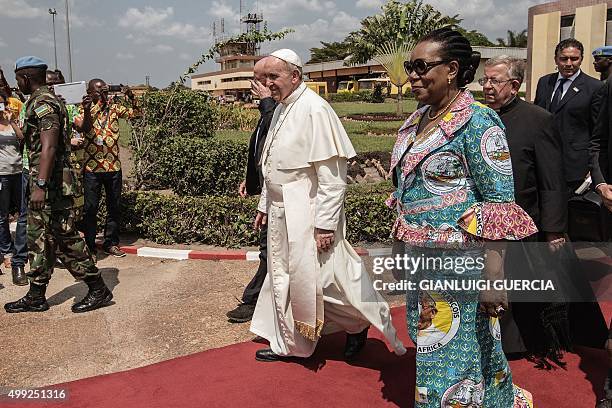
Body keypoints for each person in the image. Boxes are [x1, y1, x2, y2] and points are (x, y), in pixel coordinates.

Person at [390, 28, 536, 406]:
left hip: (461, 263)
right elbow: (404, 190)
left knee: (452, 354)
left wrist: (494, 276)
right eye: (410, 67)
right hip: (422, 258)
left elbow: (499, 203)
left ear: (452, 69)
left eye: (422, 66)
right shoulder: (416, 120)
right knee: (436, 344)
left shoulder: (479, 121)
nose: (413, 75)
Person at [250, 49, 406, 362]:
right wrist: (265, 205)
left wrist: (324, 224)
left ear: (295, 76)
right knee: (286, 277)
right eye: (262, 78)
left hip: (307, 213)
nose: (267, 84)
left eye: (273, 77)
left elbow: (333, 177)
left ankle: (358, 323)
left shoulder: (314, 109)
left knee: (325, 281)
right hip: (284, 212)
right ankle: (291, 342)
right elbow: (275, 165)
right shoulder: (284, 106)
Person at [481, 55, 573, 367]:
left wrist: (554, 227)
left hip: (525, 220)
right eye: (485, 80)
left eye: (495, 81)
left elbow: (551, 177)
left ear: (515, 86)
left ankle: (519, 346)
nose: (487, 86)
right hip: (483, 220)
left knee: (520, 284)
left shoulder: (538, 119)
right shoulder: (478, 117)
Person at [4, 56, 113, 313]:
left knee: (65, 237)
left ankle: (98, 288)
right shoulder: (45, 101)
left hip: (51, 184)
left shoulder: (44, 103)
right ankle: (36, 294)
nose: (16, 82)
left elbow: (49, 146)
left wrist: (40, 184)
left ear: (26, 77)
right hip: (43, 181)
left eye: (18, 77)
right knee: (39, 237)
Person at [226, 57, 277, 323]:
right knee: (268, 250)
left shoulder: (279, 110)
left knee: (268, 251)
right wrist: (251, 179)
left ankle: (253, 299)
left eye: (266, 79)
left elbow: (275, 135)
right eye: (256, 79)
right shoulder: (267, 110)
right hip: (269, 194)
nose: (259, 85)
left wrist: (267, 102)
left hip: (284, 200)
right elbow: (262, 150)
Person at [75, 79, 139, 259]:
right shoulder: (83, 108)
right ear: (89, 92)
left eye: (104, 90)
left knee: (114, 207)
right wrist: (89, 107)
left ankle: (111, 243)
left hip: (113, 167)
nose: (103, 93)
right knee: (90, 208)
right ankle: (90, 246)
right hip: (92, 169)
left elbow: (136, 114)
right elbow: (84, 128)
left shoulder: (114, 107)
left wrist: (130, 96)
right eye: (98, 90)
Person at [534, 38, 602, 194]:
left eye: (574, 58)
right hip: (544, 164)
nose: (569, 63)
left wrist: (594, 169)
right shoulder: (545, 82)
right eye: (564, 58)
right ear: (556, 59)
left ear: (581, 59)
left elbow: (598, 132)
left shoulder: (595, 88)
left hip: (576, 169)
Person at [0, 90, 27, 285]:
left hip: (18, 171)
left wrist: (12, 121)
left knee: (22, 213)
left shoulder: (11, 121)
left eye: (2, 102)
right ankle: (7, 252)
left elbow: (22, 139)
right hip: (1, 174)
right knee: (2, 216)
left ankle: (21, 251)